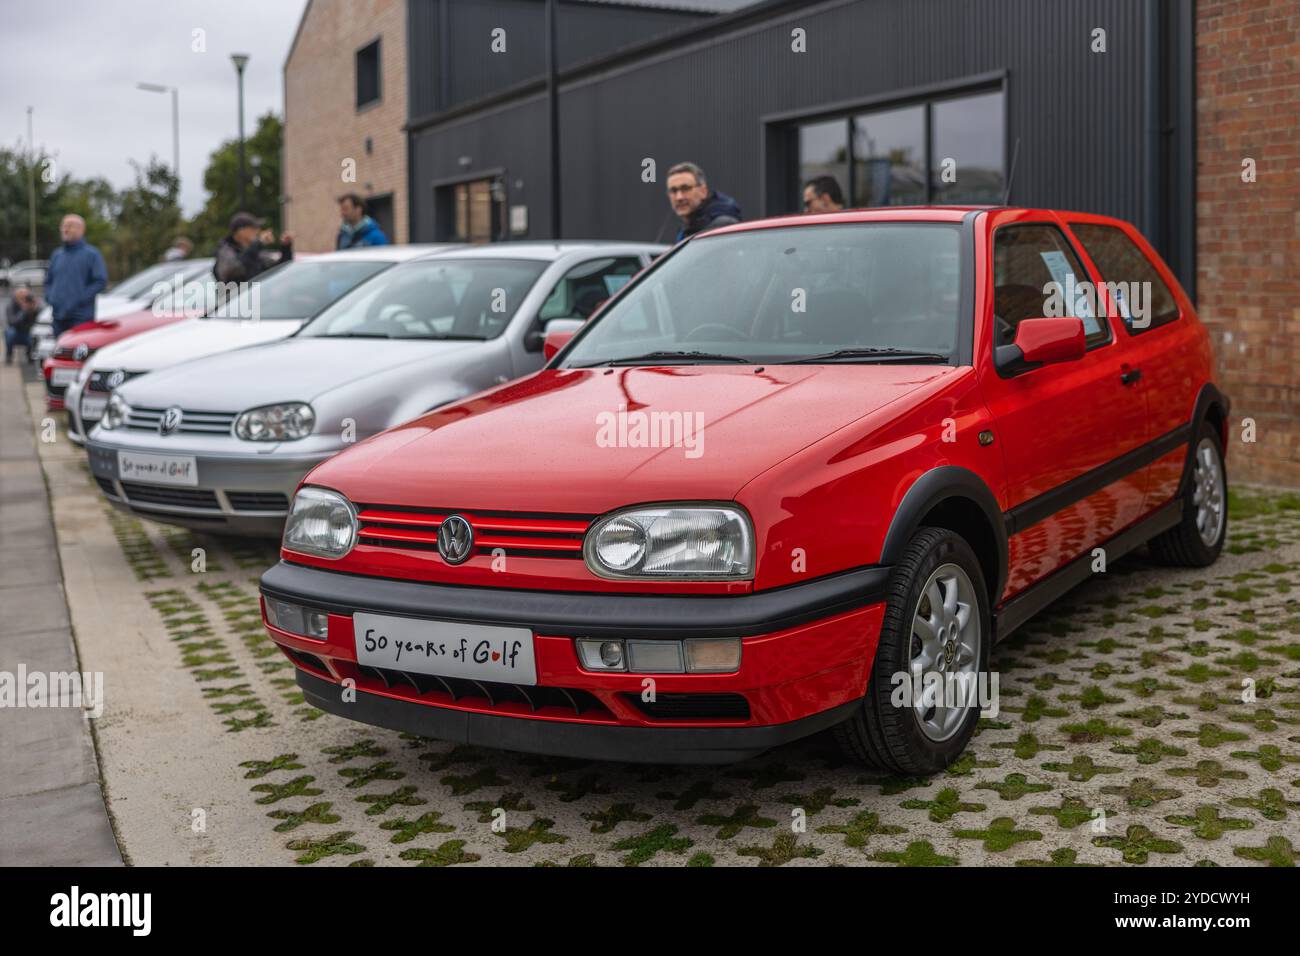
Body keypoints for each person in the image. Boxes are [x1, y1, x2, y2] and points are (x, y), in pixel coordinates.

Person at [45, 214, 108, 337]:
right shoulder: (57, 255)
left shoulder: (92, 254)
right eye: (63, 226)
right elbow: (48, 281)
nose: (65, 229)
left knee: (78, 354)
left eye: (69, 226)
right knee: (59, 353)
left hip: (81, 318)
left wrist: (79, 299)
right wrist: (50, 298)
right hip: (58, 317)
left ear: (81, 230)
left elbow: (100, 281)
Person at [666, 162, 742, 241]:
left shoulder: (722, 225)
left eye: (686, 189)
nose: (679, 197)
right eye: (673, 190)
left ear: (703, 191)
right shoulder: (687, 228)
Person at [214, 212, 294, 283]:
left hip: (258, 297)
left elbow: (278, 269)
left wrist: (286, 247)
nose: (258, 230)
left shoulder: (255, 250)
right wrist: (258, 243)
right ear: (241, 231)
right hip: (237, 299)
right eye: (254, 227)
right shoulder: (225, 250)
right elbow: (234, 268)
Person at [5, 286, 40, 365]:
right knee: (9, 332)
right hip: (17, 331)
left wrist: (35, 309)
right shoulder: (11, 306)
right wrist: (23, 311)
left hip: (28, 331)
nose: (24, 300)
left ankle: (30, 355)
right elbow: (12, 322)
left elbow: (38, 320)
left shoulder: (31, 306)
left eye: (26, 297)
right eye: (22, 298)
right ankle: (9, 354)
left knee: (35, 333)